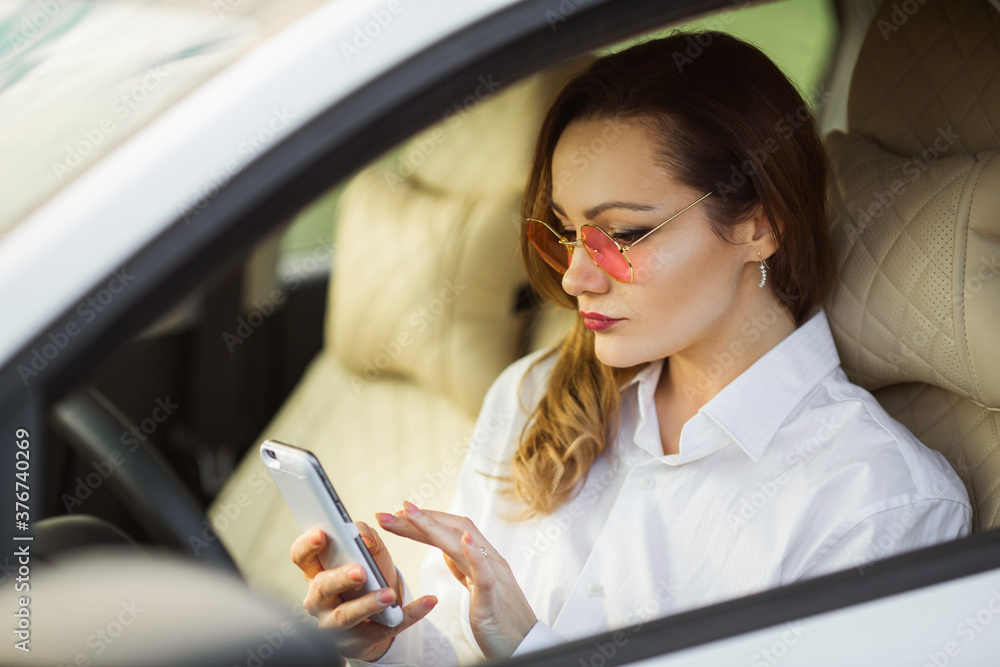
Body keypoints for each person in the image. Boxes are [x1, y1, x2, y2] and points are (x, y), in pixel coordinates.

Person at [290, 32, 972, 665]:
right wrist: (385, 640)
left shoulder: (880, 505)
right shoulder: (533, 393)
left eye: (623, 233)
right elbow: (452, 642)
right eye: (564, 232)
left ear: (761, 225)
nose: (574, 276)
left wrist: (533, 646)